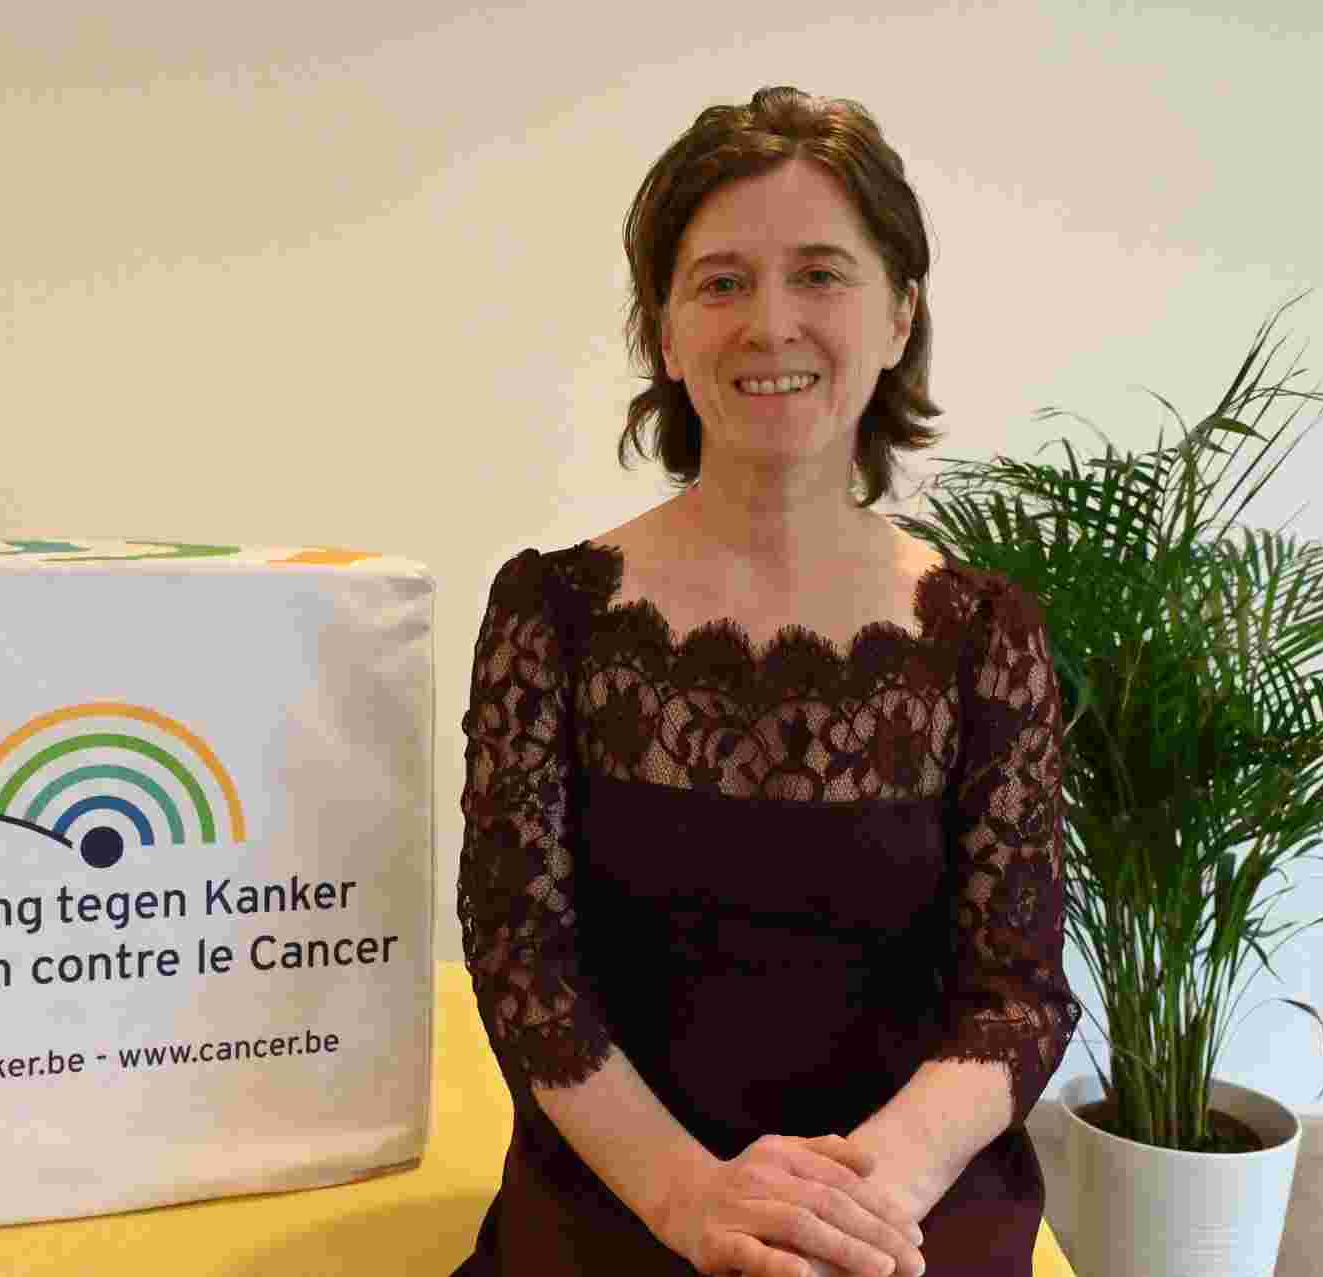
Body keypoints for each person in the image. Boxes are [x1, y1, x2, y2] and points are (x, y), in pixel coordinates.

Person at [453, 86, 1082, 1277]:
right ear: (665, 330)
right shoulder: (552, 614)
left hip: (901, 1204)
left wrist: (850, 1204)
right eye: (723, 281)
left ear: (899, 315)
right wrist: (690, 1194)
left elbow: (1020, 993)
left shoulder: (985, 633)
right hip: (624, 1190)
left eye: (820, 275)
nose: (771, 322)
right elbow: (522, 957)